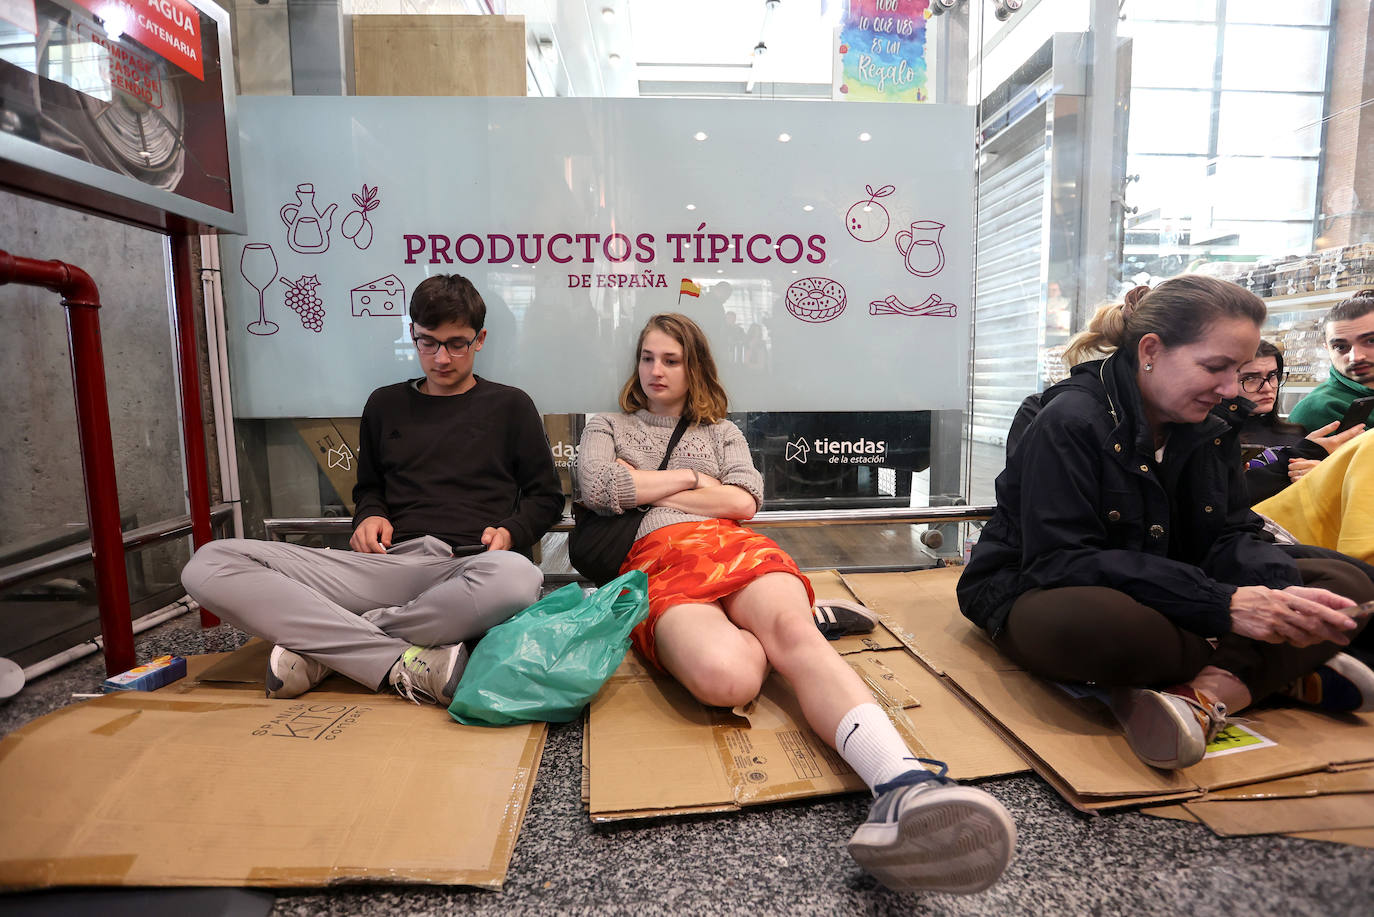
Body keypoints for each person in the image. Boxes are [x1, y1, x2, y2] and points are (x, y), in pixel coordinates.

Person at [574, 313, 1015, 895]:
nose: (656, 370)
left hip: (733, 547)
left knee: (793, 639)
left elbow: (746, 502)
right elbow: (600, 489)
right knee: (725, 679)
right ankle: (792, 624)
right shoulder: (605, 424)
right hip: (656, 557)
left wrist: (657, 482)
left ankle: (903, 786)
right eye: (648, 357)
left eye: (671, 360)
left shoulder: (721, 431)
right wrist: (695, 482)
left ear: (694, 367)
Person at [957, 276, 1374, 772]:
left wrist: (1280, 597)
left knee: (1343, 583)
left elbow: (1231, 531)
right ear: (1151, 350)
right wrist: (1224, 605)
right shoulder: (1070, 419)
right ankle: (1272, 671)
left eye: (1240, 371)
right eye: (1216, 367)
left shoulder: (1210, 423)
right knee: (1097, 627)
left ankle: (1203, 695)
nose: (1228, 389)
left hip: (1175, 585)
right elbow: (1061, 560)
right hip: (1041, 586)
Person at [182, 274, 564, 706]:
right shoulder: (384, 404)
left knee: (519, 579)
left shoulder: (511, 406)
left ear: (480, 340)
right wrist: (369, 515)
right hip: (383, 566)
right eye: (428, 342)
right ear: (413, 335)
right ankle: (401, 659)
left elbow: (545, 497)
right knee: (208, 564)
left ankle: (328, 647)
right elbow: (370, 489)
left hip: (465, 566)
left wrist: (511, 531)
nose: (441, 358)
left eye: (457, 343)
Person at [1229, 340, 1364, 505]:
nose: (1268, 387)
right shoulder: (1217, 440)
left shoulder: (1295, 433)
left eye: (1273, 375)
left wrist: (1318, 473)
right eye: (1250, 378)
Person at [1288, 289, 1374, 431]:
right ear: (1327, 348)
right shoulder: (1318, 409)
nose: (1355, 357)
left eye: (1370, 341)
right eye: (1340, 347)